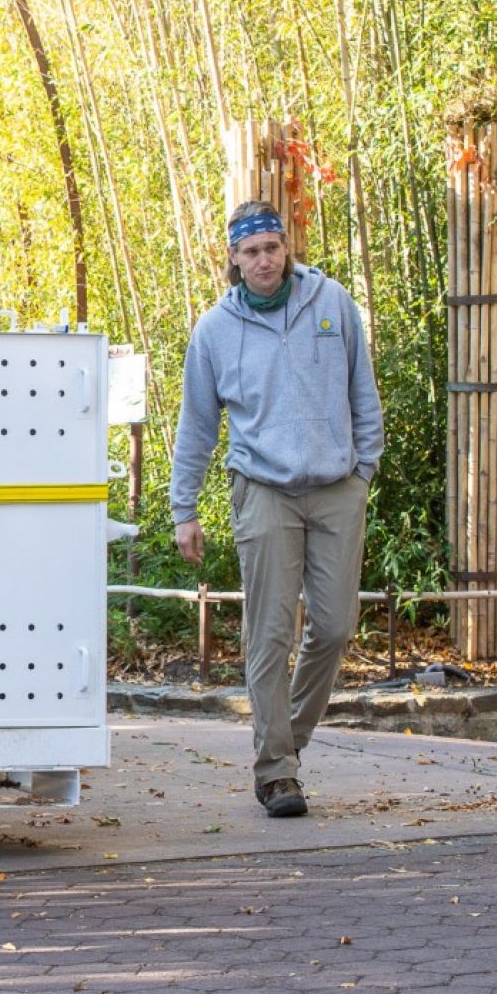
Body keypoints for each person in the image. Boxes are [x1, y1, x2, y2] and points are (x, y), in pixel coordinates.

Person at [170, 201, 382, 818]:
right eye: (251, 251)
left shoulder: (332, 303)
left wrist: (363, 470)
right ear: (233, 259)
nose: (265, 260)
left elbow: (362, 391)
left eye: (273, 246)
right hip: (262, 489)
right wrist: (185, 508)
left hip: (337, 485)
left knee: (337, 626)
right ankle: (277, 772)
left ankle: (284, 742)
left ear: (287, 248)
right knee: (268, 634)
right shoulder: (213, 331)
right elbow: (197, 428)